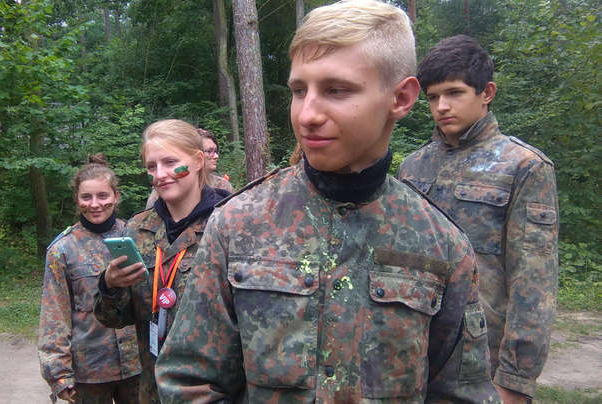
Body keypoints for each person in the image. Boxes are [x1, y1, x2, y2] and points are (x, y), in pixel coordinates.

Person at [155, 1, 500, 402]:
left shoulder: (442, 246)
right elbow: (188, 382)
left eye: (336, 90)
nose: (307, 115)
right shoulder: (237, 224)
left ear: (401, 98)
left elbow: (462, 394)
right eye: (299, 90)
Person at [398, 35, 559, 403]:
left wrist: (515, 380)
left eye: (454, 93)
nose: (442, 106)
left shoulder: (524, 167)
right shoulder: (413, 167)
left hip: (481, 363)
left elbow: (534, 282)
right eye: (433, 97)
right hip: (412, 355)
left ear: (486, 92)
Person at [93, 119, 231, 404]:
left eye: (170, 162)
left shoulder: (229, 224)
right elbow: (116, 318)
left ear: (198, 161)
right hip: (154, 391)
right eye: (152, 166)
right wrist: (111, 286)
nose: (160, 175)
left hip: (214, 392)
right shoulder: (138, 229)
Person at [38, 154, 141, 403]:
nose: (95, 204)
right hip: (90, 371)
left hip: (138, 365)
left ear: (116, 196)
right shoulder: (62, 250)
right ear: (77, 199)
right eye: (86, 197)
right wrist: (59, 374)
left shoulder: (138, 237)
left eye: (103, 196)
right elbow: (54, 315)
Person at [145, 127, 233, 208]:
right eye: (209, 151)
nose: (216, 156)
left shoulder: (222, 186)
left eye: (216, 151)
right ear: (196, 157)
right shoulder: (164, 190)